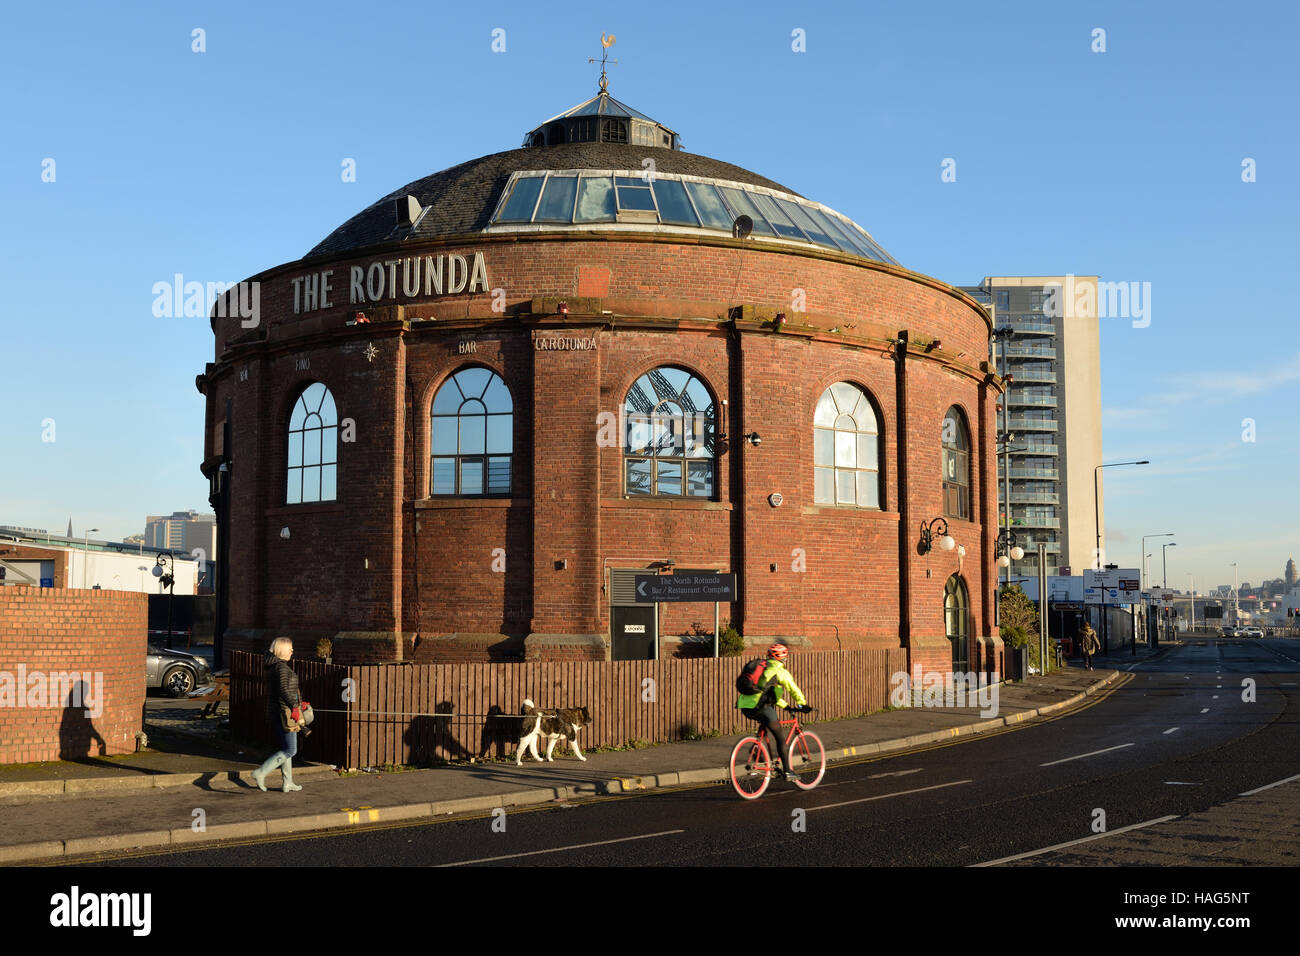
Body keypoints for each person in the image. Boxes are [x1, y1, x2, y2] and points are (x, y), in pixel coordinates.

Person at [736, 643, 809, 781]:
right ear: (782, 658)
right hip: (761, 706)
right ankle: (788, 771)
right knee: (780, 738)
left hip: (745, 705)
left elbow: (768, 694)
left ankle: (757, 751)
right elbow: (793, 688)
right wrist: (803, 704)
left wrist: (786, 706)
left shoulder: (763, 667)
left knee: (765, 727)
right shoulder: (779, 670)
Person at [252, 637, 305, 792]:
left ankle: (287, 782)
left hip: (280, 712)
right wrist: (295, 707)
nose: (292, 651)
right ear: (282, 650)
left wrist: (300, 702)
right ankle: (261, 772)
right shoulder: (281, 668)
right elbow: (283, 690)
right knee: (291, 750)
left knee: (286, 748)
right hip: (285, 714)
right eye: (290, 648)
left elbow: (287, 690)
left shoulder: (276, 666)